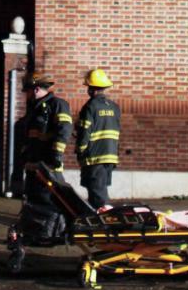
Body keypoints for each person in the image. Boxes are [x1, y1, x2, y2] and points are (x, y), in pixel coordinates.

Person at [19, 71, 73, 200]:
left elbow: (64, 130)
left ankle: (55, 220)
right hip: (34, 164)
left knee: (53, 198)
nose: (27, 95)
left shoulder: (57, 105)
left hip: (49, 164)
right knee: (33, 197)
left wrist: (57, 154)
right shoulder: (35, 109)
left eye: (28, 91)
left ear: (36, 89)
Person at [75, 68, 121, 209]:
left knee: (98, 194)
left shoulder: (90, 107)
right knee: (98, 191)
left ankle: (107, 221)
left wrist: (80, 150)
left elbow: (85, 132)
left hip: (94, 157)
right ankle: (97, 220)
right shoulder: (114, 107)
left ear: (92, 89)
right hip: (110, 156)